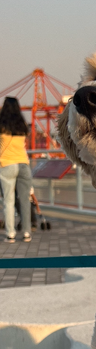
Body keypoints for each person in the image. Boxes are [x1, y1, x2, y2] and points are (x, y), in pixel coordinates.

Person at [0, 97, 33, 243]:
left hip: (7, 164)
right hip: (24, 164)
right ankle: (26, 233)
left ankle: (11, 234)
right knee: (25, 200)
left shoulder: (1, 125)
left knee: (8, 201)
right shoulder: (23, 125)